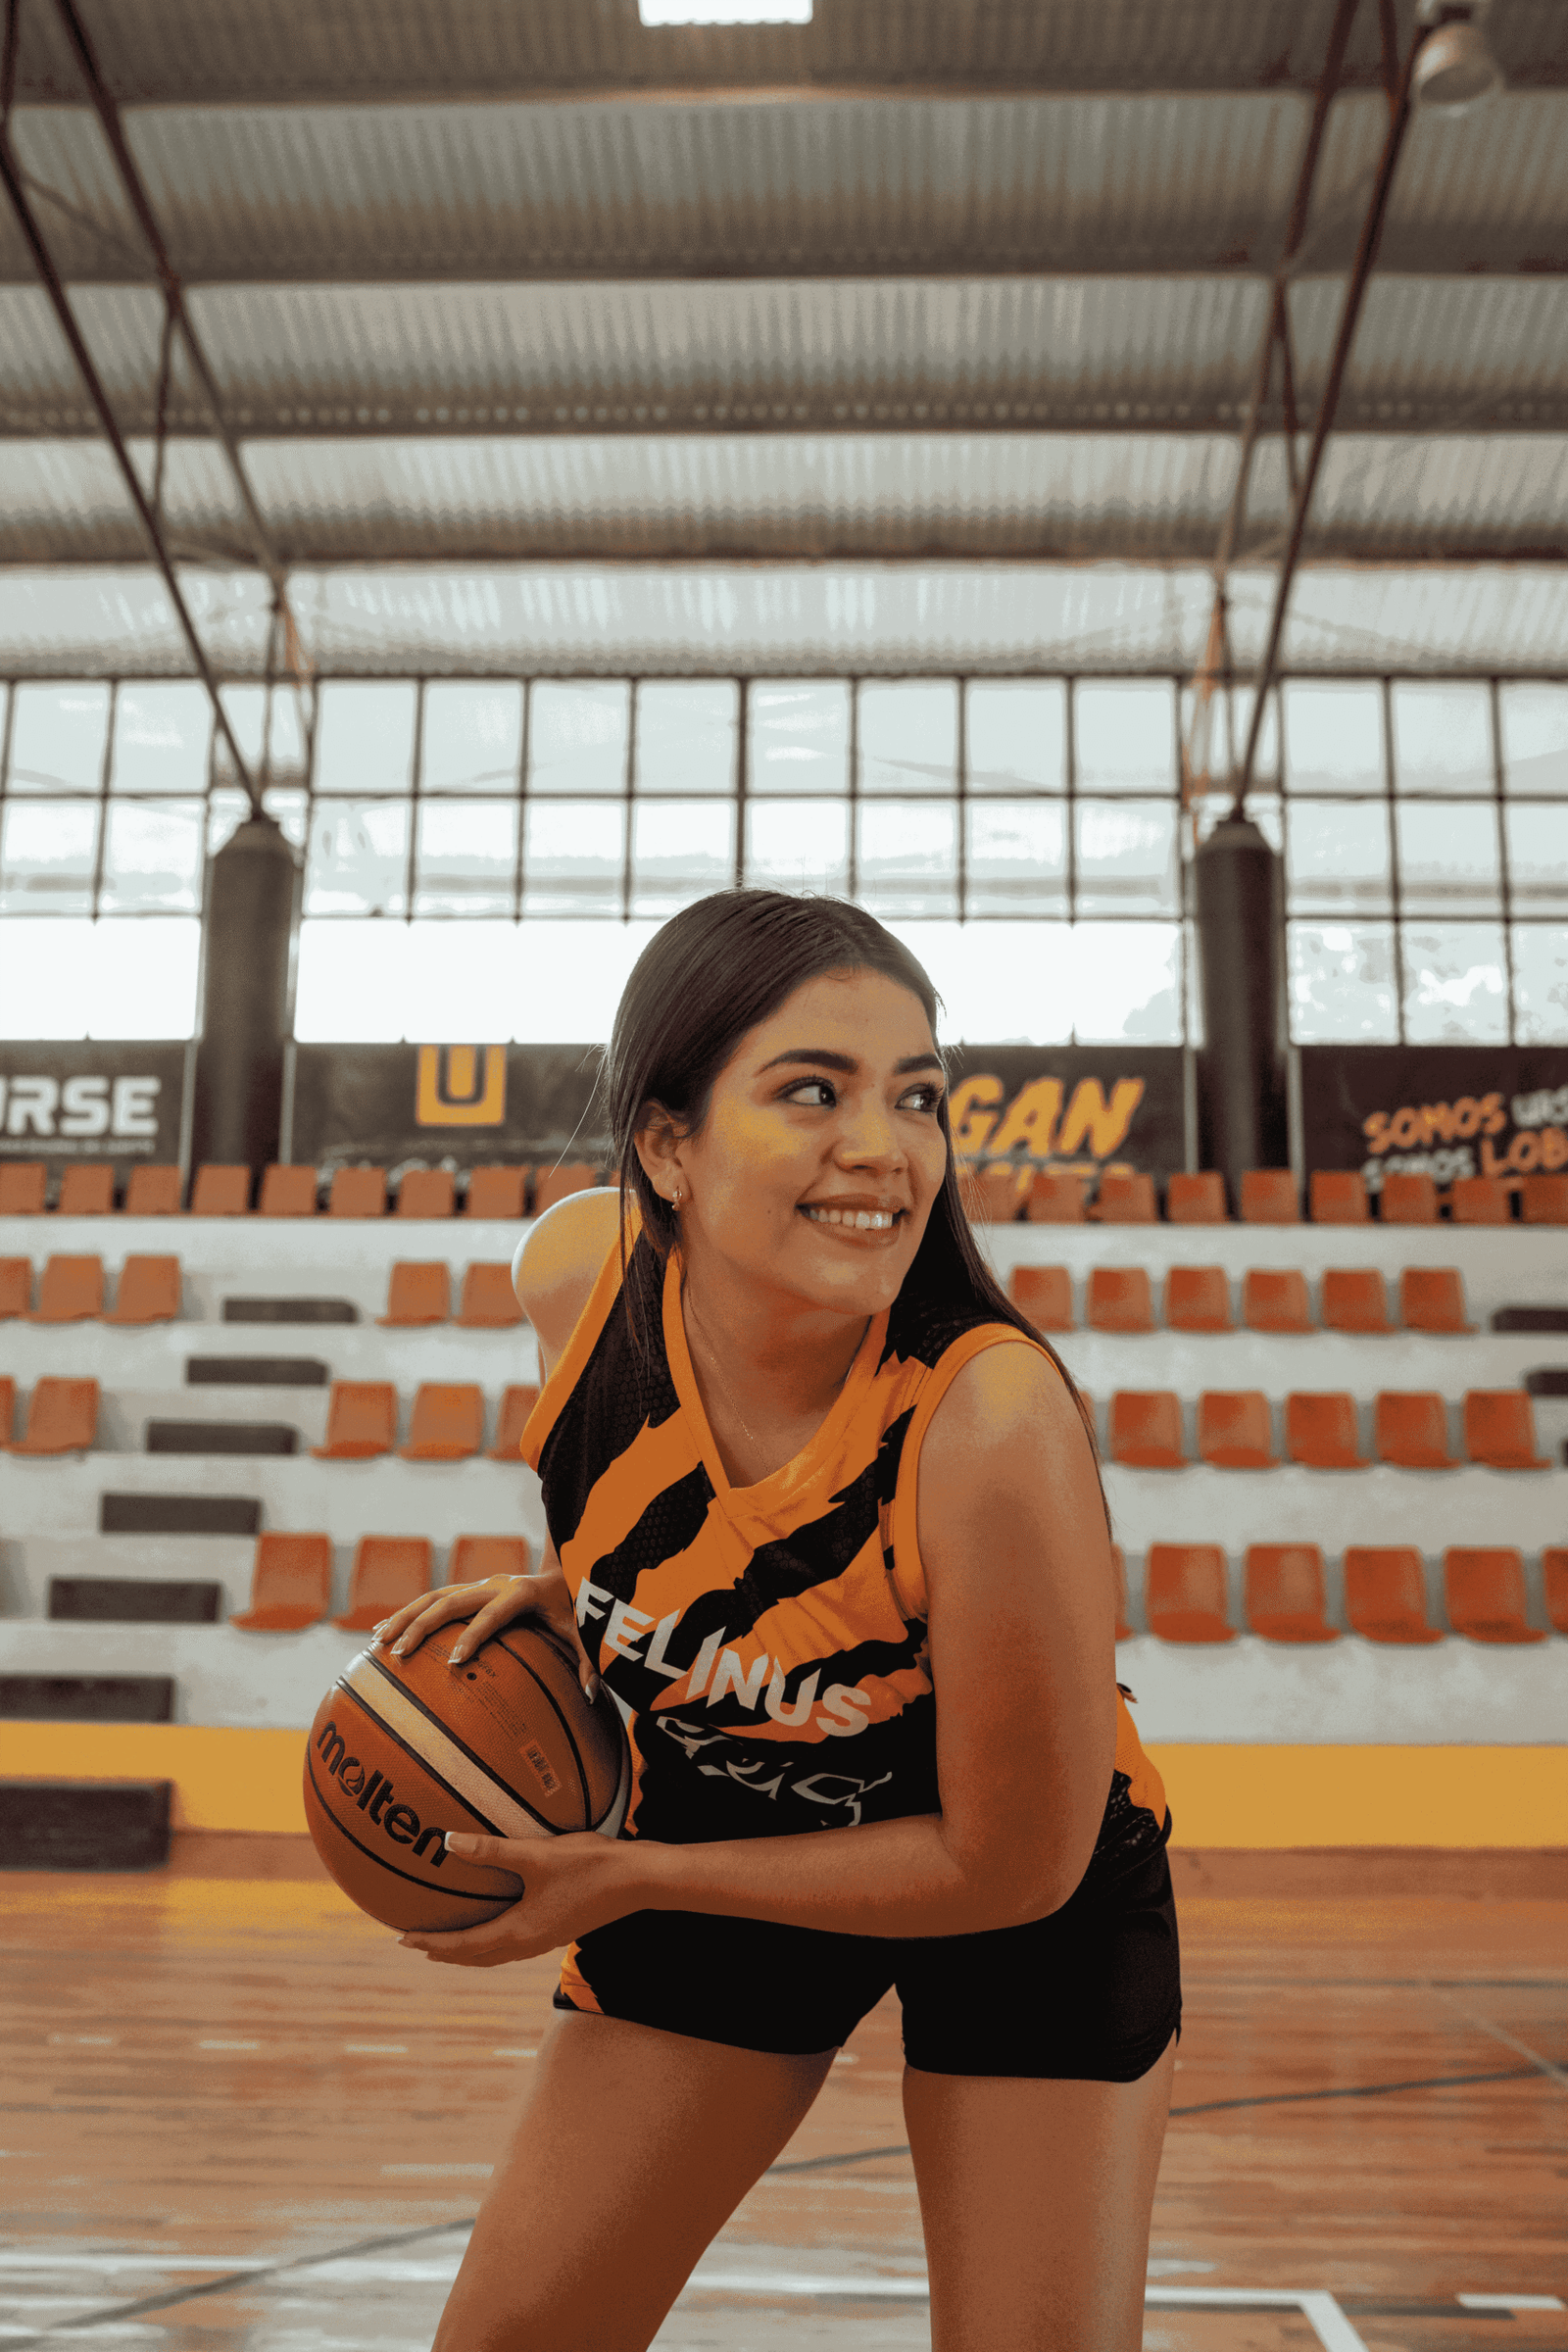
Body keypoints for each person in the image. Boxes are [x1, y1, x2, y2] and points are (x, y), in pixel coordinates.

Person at [375, 890, 1182, 2352]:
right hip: (718, 1830)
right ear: (667, 1143)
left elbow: (1004, 1864)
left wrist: (633, 1880)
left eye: (918, 1097)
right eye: (813, 1090)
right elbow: (722, 1531)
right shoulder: (577, 1280)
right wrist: (588, 1592)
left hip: (1017, 1902)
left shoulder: (987, 1416)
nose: (884, 1148)